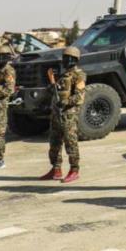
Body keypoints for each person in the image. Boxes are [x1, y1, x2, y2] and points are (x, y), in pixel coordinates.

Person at [39, 46, 86, 183]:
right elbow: (56, 92)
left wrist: (65, 102)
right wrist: (51, 85)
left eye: (67, 58)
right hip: (56, 115)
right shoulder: (63, 75)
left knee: (70, 143)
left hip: (68, 116)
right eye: (64, 58)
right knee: (54, 143)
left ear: (74, 60)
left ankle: (74, 170)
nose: (64, 60)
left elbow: (79, 97)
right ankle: (56, 169)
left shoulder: (78, 75)